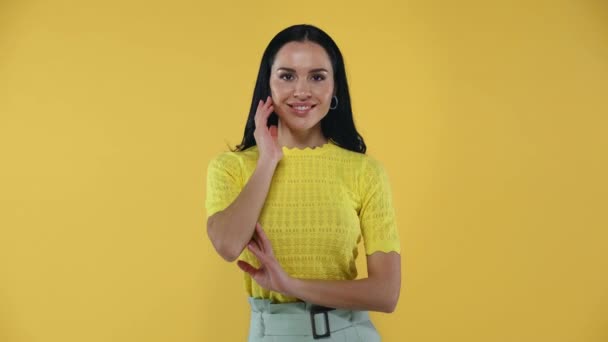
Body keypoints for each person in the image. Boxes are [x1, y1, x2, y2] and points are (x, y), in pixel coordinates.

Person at [205, 24, 401, 341]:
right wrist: (268, 160)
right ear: (267, 84)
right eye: (287, 75)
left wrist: (291, 285)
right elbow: (228, 246)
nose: (301, 90)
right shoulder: (232, 168)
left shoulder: (365, 171)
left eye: (317, 76)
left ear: (335, 88)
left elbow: (386, 293)